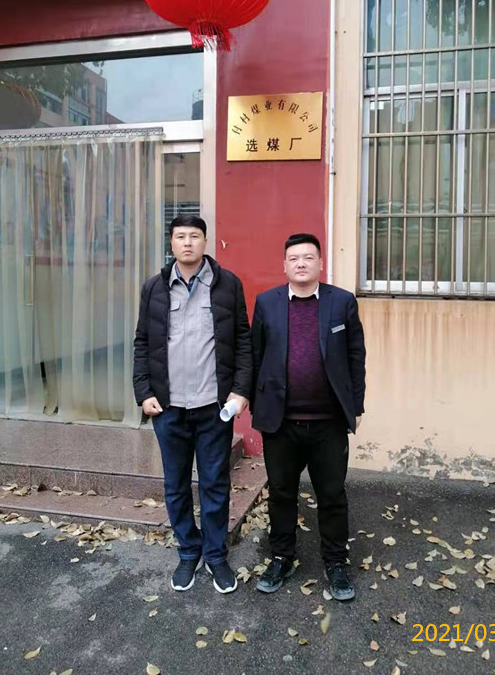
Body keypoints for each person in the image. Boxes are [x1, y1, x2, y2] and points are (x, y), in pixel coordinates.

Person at [133, 214, 252, 594]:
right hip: (168, 408)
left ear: (205, 242)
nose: (187, 242)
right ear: (171, 243)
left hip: (213, 406)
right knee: (176, 485)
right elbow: (142, 342)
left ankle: (215, 555)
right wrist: (144, 392)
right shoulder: (154, 288)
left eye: (195, 236)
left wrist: (241, 391)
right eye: (181, 236)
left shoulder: (227, 284)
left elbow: (243, 340)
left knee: (215, 484)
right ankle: (188, 550)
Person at [251, 233, 366, 600]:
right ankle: (281, 557)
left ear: (320, 263)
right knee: (281, 493)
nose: (301, 263)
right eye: (294, 258)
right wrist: (256, 404)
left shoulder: (341, 302)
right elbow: (255, 357)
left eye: (308, 257)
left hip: (328, 423)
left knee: (332, 494)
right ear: (284, 265)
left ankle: (336, 562)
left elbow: (355, 357)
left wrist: (356, 406)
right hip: (281, 423)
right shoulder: (267, 303)